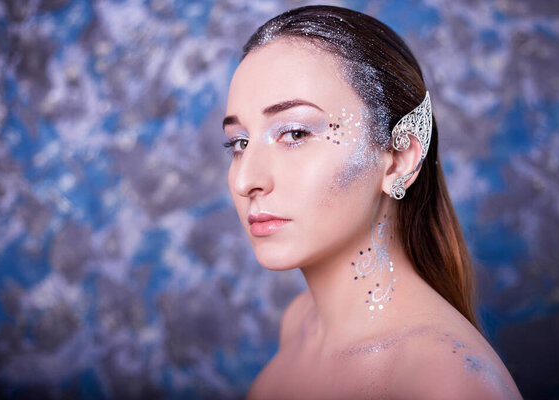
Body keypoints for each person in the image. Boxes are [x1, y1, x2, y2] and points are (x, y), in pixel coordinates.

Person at [222, 5, 522, 399]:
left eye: (294, 133)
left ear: (399, 158)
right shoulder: (300, 322)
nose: (246, 180)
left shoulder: (447, 382)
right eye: (239, 143)